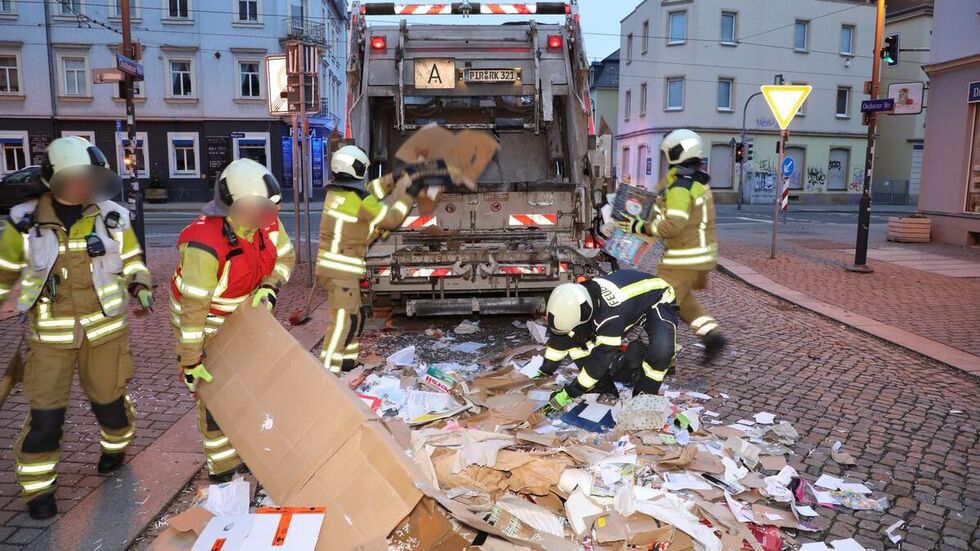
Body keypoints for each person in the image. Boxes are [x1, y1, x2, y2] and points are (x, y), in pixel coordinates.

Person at [0, 136, 152, 519]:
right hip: (49, 339)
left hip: (105, 335)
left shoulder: (112, 216)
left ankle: (115, 446)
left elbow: (133, 257)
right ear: (55, 179)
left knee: (111, 409)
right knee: (45, 420)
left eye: (91, 177)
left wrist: (140, 283)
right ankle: (38, 490)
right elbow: (3, 274)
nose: (85, 186)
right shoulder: (25, 222)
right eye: (78, 178)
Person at [169, 158, 294, 482]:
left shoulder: (265, 222)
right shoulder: (205, 244)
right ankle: (223, 469)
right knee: (216, 397)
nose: (269, 215)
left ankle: (244, 451)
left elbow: (285, 258)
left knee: (249, 385)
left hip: (244, 315)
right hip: (206, 321)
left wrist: (269, 287)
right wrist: (191, 359)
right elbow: (192, 311)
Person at [317, 145, 451, 373]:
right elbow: (391, 219)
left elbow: (372, 189)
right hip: (342, 271)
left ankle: (348, 362)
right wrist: (407, 194)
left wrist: (396, 177)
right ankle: (327, 373)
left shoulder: (338, 193)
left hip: (335, 269)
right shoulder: (359, 202)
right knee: (344, 322)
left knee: (355, 317)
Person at [618, 129, 726, 364]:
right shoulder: (696, 182)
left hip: (683, 258)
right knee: (683, 303)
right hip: (697, 256)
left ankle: (664, 355)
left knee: (660, 304)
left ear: (677, 153)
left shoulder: (680, 186)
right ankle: (712, 336)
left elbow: (674, 225)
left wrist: (642, 227)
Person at [535, 269, 679, 414]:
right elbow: (562, 340)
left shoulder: (610, 319)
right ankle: (604, 387)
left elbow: (600, 360)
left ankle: (644, 398)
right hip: (628, 303)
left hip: (658, 299)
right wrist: (544, 371)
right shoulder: (578, 297)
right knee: (579, 338)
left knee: (662, 352)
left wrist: (570, 392)